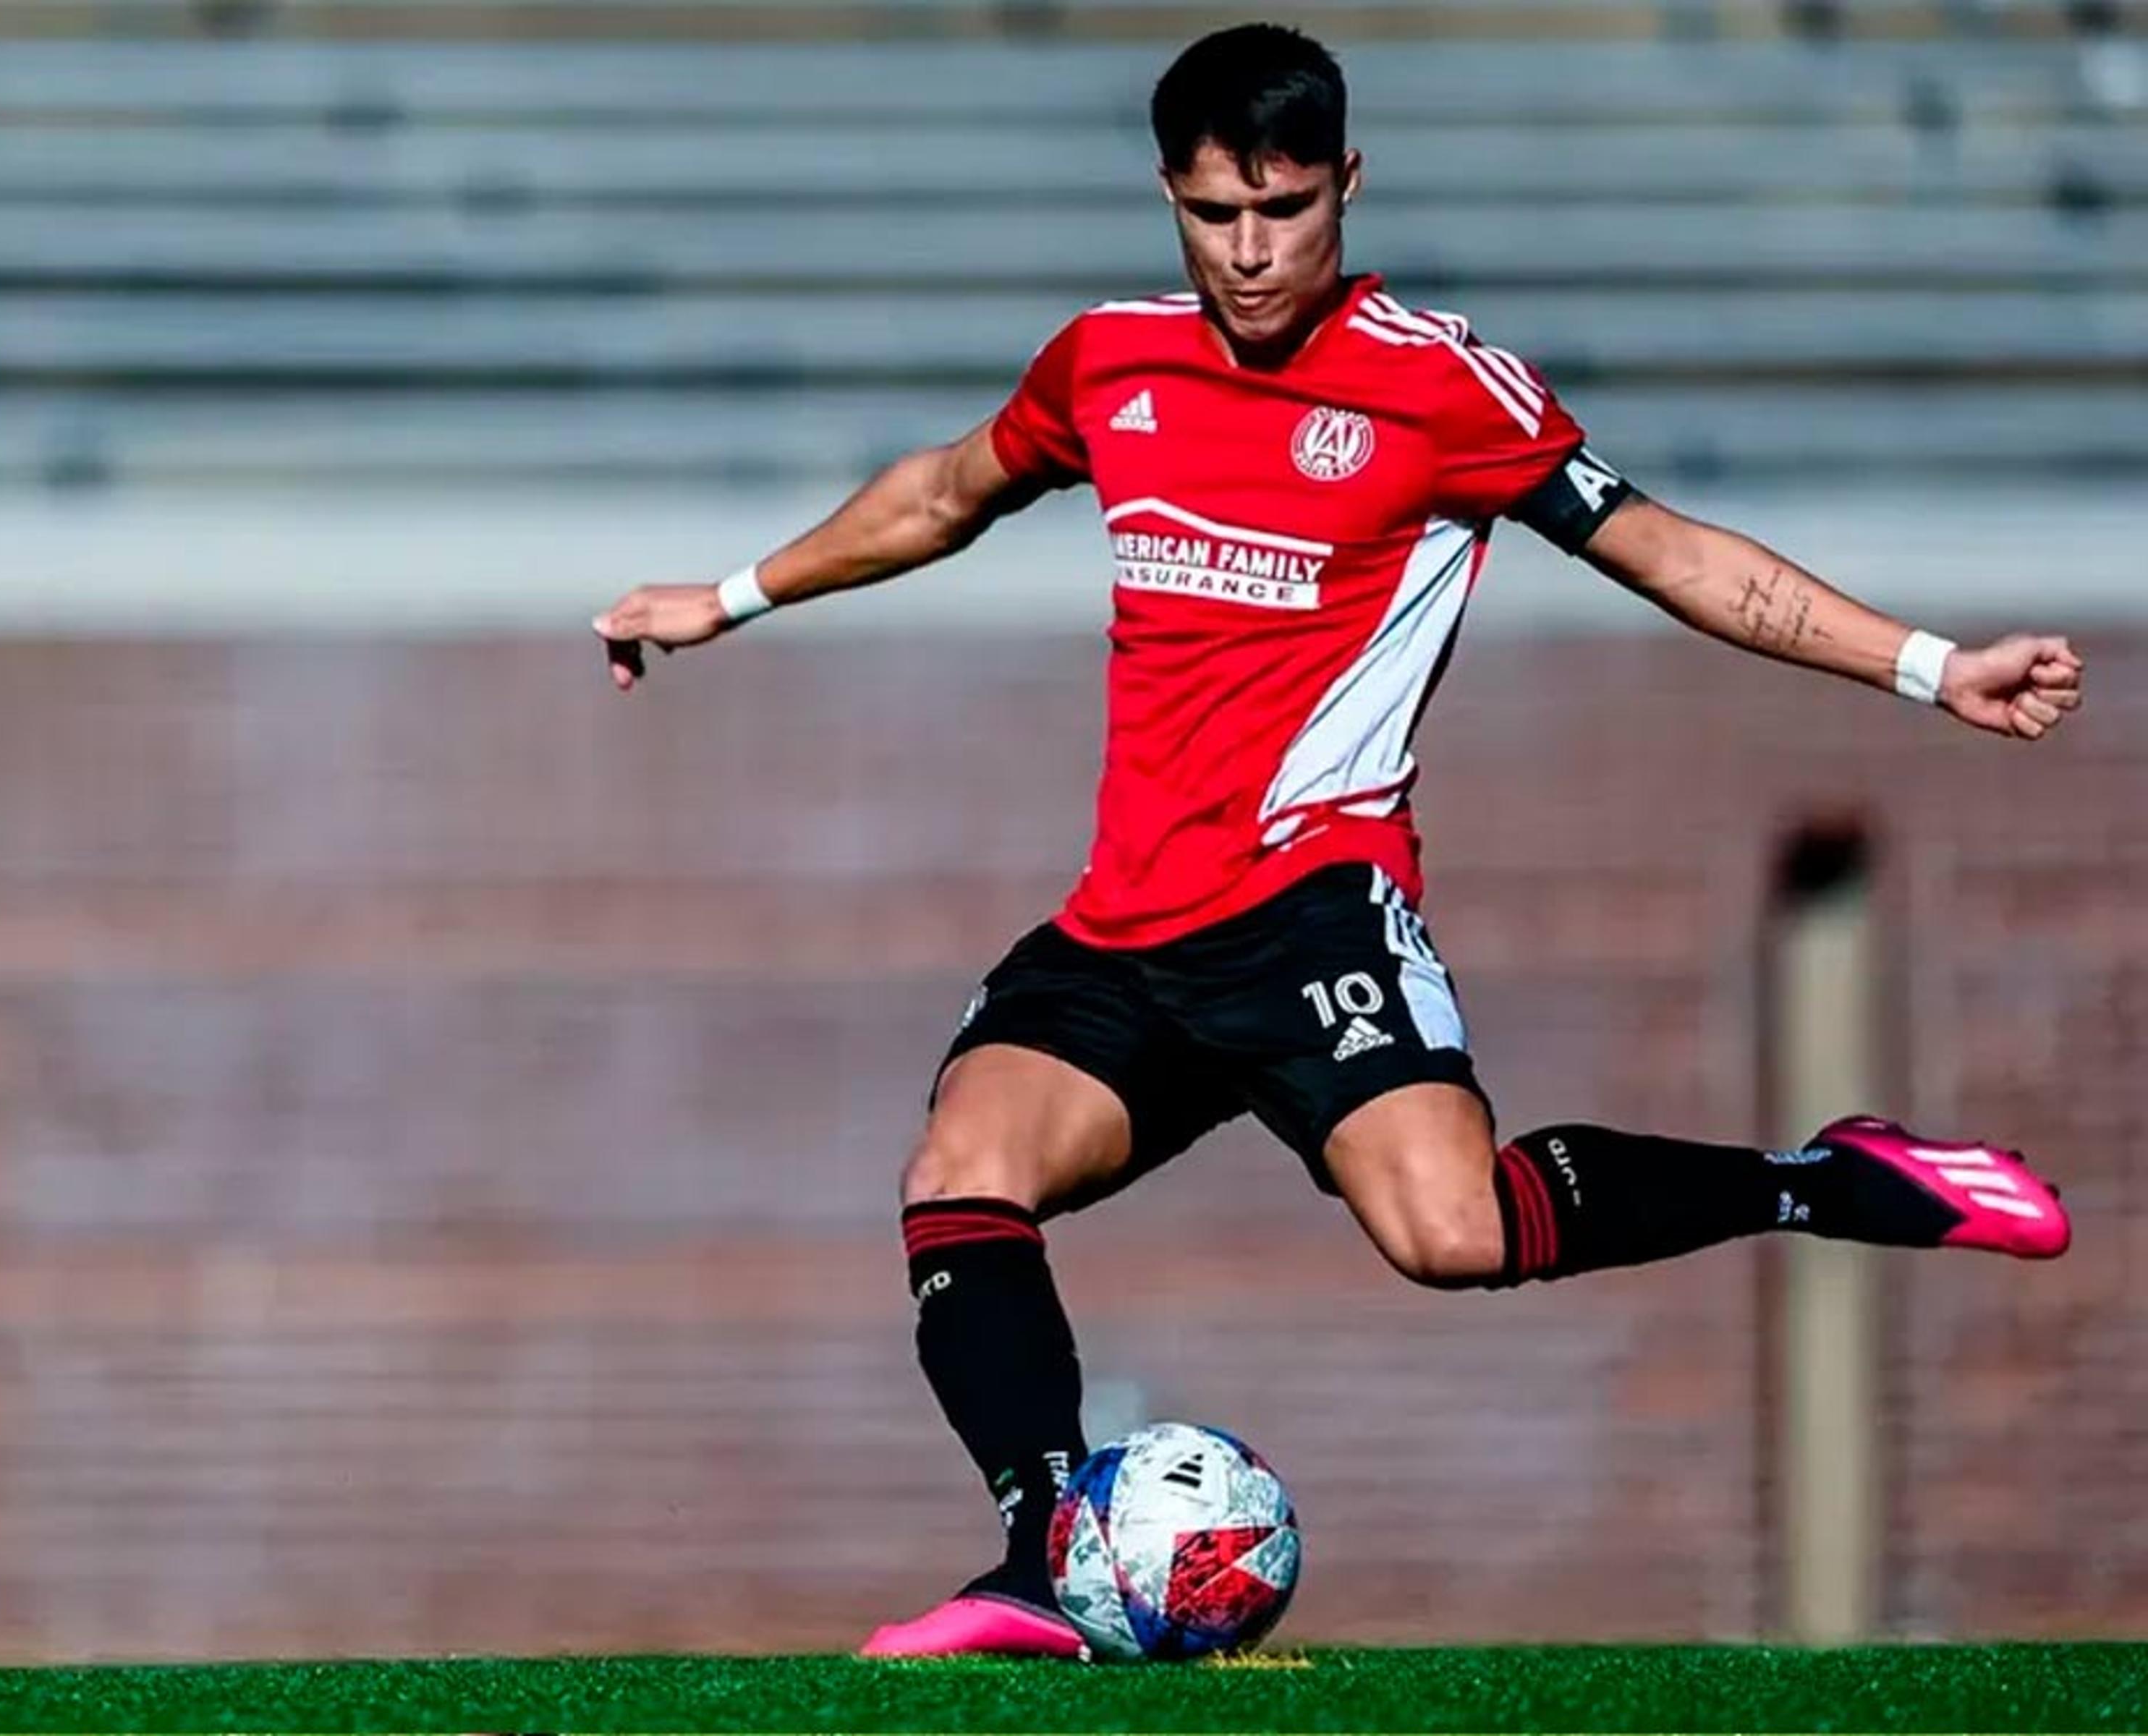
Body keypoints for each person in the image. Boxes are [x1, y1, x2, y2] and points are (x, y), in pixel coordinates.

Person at [588, 22, 2084, 1660]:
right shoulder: (1108, 361)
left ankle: (1820, 1179)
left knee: (1453, 1236)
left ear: (1347, 186)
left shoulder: (1444, 386)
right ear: (1169, 195)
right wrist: (728, 598)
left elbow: (1676, 557)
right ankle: (1047, 1560)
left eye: (1285, 210)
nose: (1250, 253)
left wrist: (1933, 668)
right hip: (1124, 930)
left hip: (1315, 909)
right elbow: (944, 492)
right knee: (962, 1169)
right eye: (1215, 215)